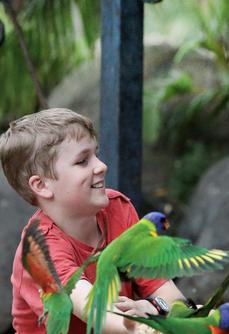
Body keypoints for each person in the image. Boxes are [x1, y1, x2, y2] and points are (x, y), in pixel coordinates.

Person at [1, 108, 188, 333]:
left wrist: (156, 307)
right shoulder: (40, 251)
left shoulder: (119, 210)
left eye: (95, 154)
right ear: (41, 185)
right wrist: (150, 327)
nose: (101, 166)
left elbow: (171, 296)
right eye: (82, 161)